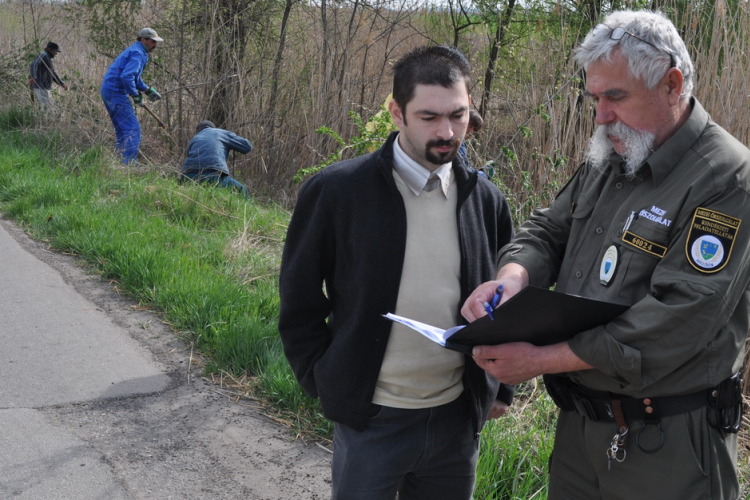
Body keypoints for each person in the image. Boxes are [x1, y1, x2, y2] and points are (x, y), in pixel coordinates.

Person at [461, 10, 750, 500]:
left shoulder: (726, 179)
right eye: (594, 98)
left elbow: (677, 320)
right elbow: (548, 229)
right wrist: (512, 278)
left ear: (671, 84)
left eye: (615, 97)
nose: (600, 117)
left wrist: (540, 360)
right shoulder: (616, 154)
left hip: (668, 445)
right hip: (582, 431)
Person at [278, 45, 515, 499]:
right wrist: (326, 380)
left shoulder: (486, 200)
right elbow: (299, 298)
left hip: (456, 420)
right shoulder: (337, 191)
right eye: (429, 117)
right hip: (371, 420)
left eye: (458, 115)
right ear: (396, 112)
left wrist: (498, 388)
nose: (447, 132)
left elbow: (504, 301)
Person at [100, 28, 164, 164]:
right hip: (115, 91)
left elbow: (133, 77)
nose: (155, 45)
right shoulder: (138, 53)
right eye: (153, 42)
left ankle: (121, 161)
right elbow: (127, 76)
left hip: (109, 90)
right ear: (143, 39)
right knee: (133, 128)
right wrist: (135, 95)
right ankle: (129, 164)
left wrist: (147, 90)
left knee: (122, 128)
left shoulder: (138, 51)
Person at [181, 120, 252, 197]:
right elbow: (247, 146)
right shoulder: (221, 133)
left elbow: (188, 154)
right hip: (213, 175)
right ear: (212, 127)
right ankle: (249, 209)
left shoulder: (194, 138)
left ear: (198, 130)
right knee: (241, 190)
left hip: (187, 176)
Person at [29, 42, 68, 110]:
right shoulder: (43, 55)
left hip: (44, 87)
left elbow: (53, 74)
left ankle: (44, 120)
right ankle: (44, 120)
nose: (56, 53)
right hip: (41, 86)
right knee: (48, 107)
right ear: (50, 49)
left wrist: (62, 84)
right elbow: (34, 64)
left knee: (47, 107)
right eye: (55, 51)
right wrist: (33, 77)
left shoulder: (47, 58)